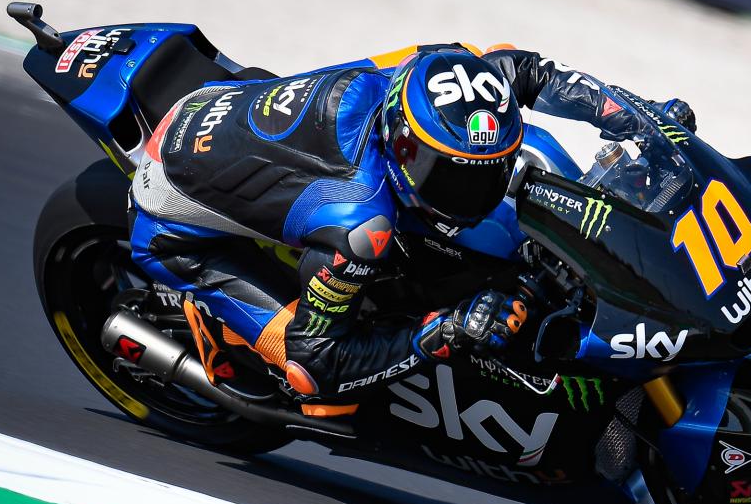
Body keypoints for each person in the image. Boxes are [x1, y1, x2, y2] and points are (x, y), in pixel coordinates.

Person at [128, 44, 695, 409]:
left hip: (236, 118)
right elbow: (317, 359)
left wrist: (635, 119)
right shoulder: (359, 222)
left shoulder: (439, 74)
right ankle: (224, 334)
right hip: (177, 226)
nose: (476, 194)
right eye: (451, 178)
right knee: (315, 389)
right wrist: (444, 330)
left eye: (488, 171)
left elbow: (522, 69)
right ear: (402, 146)